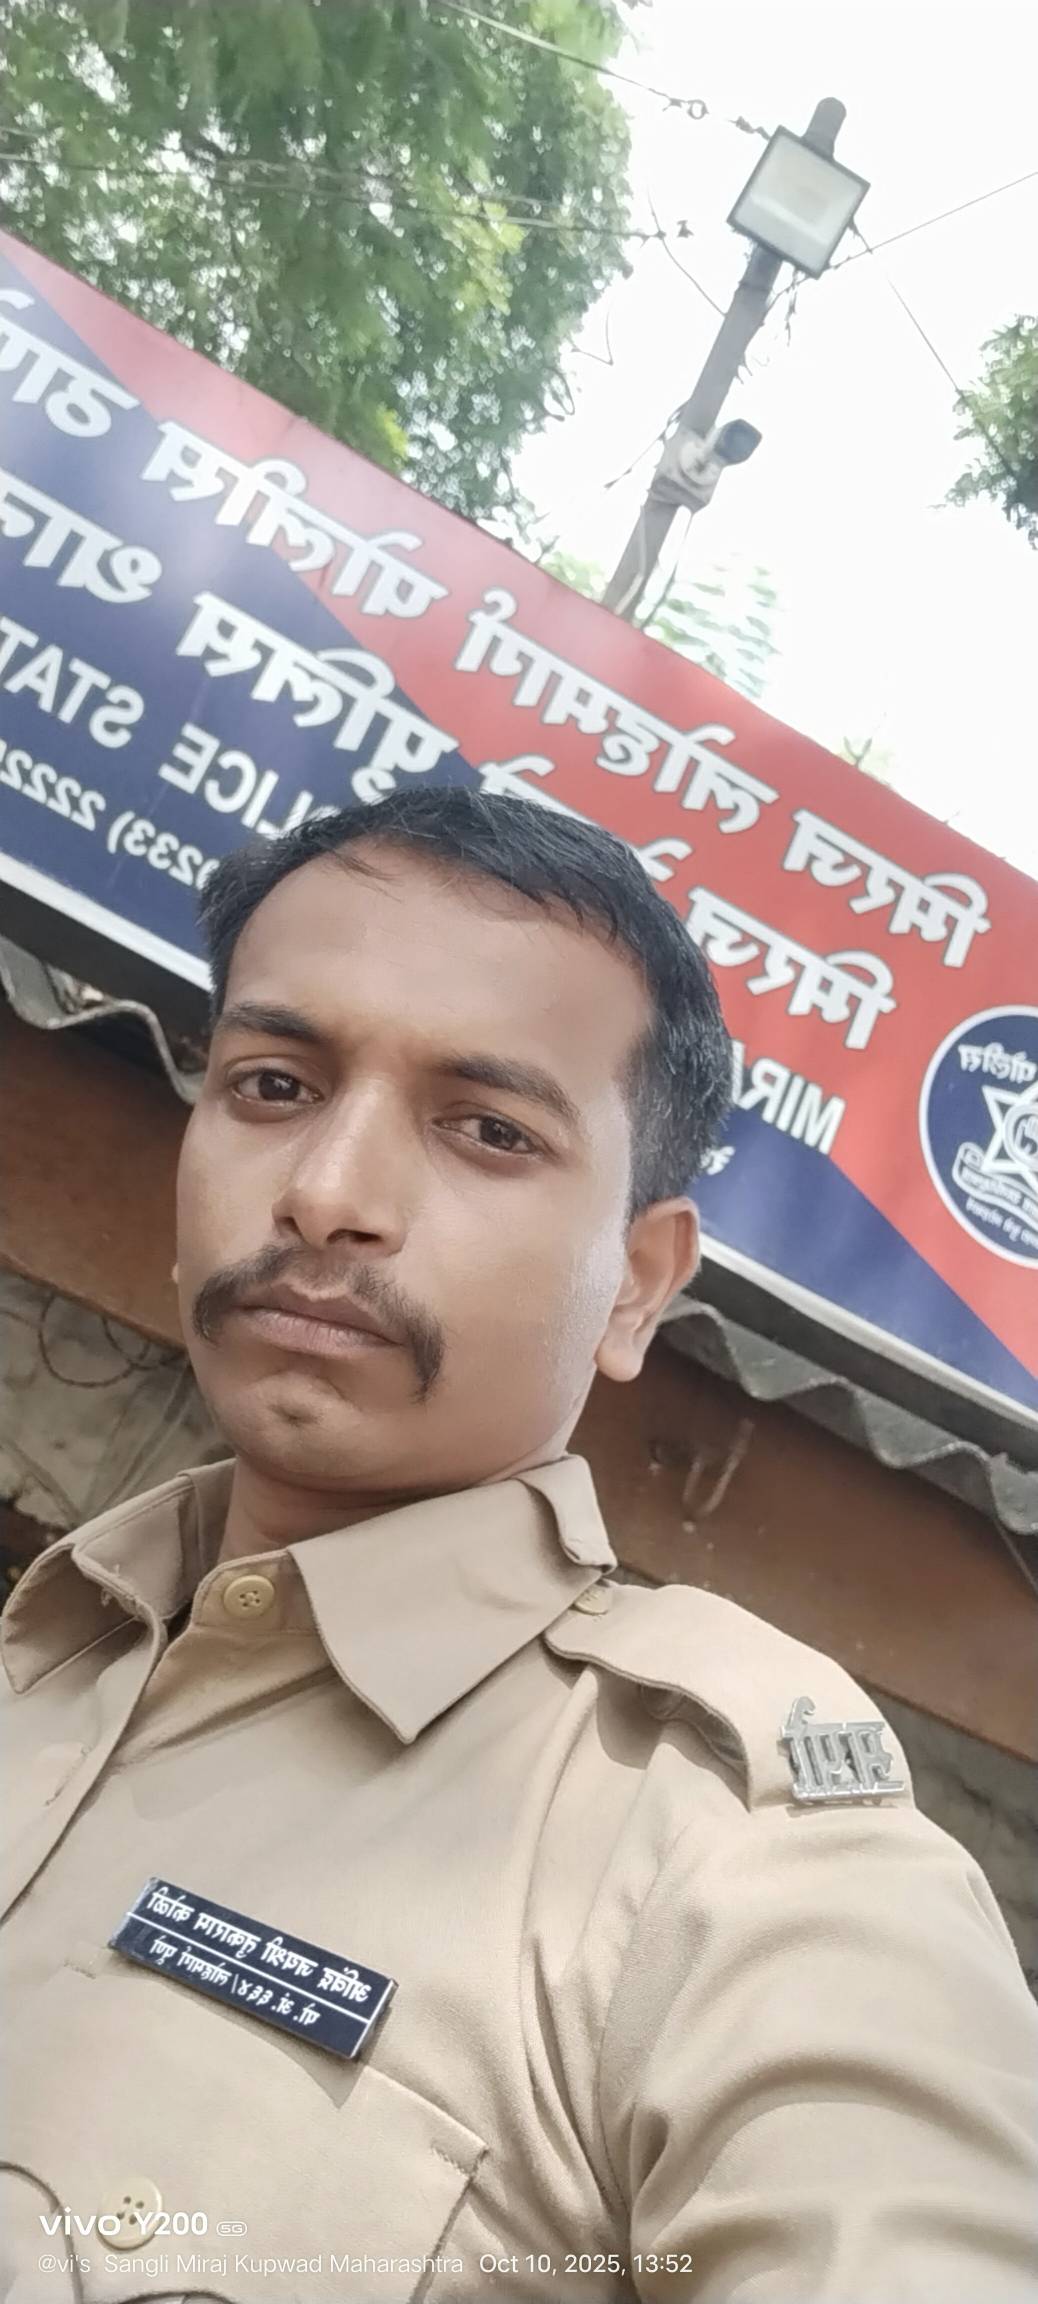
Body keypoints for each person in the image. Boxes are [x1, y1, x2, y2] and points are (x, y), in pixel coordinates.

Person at [2, 787, 1036, 2304]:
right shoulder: (45, 1654)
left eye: (488, 1130)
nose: (327, 1195)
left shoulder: (725, 1849)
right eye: (273, 1085)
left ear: (636, 1285)